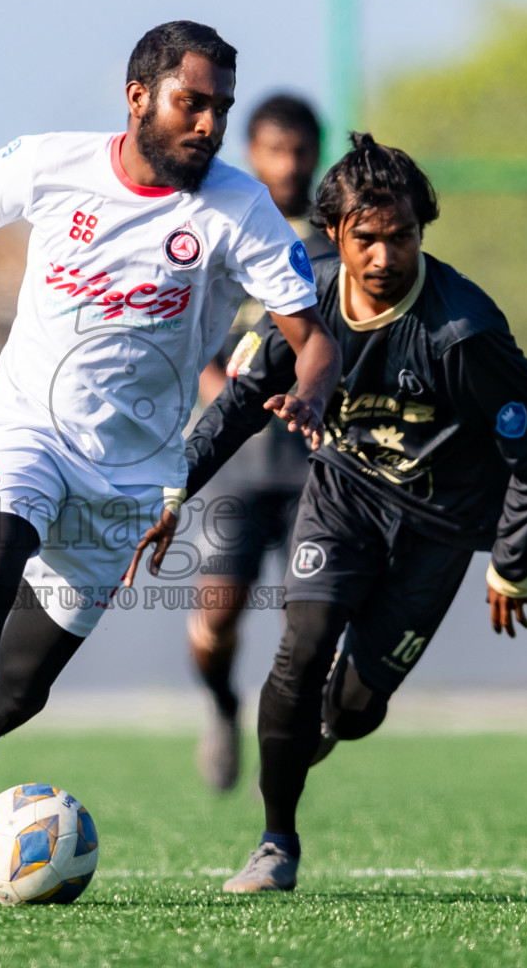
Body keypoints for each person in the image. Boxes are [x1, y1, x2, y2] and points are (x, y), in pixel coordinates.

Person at [0, 21, 342, 893]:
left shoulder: (237, 210)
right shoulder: (49, 165)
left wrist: (312, 388)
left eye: (220, 109)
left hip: (129, 477)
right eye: (191, 103)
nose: (208, 124)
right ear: (138, 98)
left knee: (17, 690)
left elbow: (308, 336)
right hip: (24, 432)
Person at [126, 133, 527, 893]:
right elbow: (236, 405)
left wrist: (512, 563)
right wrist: (174, 494)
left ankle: (323, 722)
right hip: (344, 495)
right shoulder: (306, 298)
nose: (385, 256)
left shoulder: (461, 333)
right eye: (367, 237)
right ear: (335, 234)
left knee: (356, 710)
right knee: (299, 650)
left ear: (421, 233)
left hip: (440, 525)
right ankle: (276, 843)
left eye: (402, 237)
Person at [188, 94, 335, 791]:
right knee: (215, 623)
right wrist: (240, 402)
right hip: (239, 471)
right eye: (275, 150)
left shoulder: (335, 240)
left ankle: (299, 734)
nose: (289, 163)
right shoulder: (228, 228)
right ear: (252, 152)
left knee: (310, 624)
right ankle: (221, 705)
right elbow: (198, 346)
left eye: (300, 150)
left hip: (317, 466)